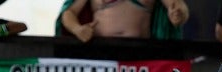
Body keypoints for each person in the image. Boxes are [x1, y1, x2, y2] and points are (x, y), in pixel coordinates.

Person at [56, 0, 189, 42]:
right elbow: (69, 12)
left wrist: (178, 14)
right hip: (100, 53)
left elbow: (179, 6)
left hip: (143, 55)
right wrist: (78, 29)